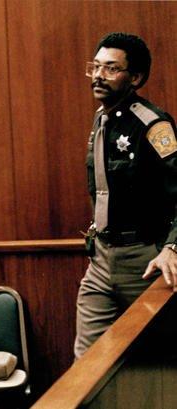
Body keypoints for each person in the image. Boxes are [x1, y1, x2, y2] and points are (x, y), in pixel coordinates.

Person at [75, 32, 177, 358]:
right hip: (101, 259)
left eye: (111, 68)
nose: (99, 76)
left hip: (144, 261)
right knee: (86, 364)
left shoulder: (153, 124)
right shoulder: (101, 118)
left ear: (135, 78)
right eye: (95, 67)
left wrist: (173, 247)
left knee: (157, 364)